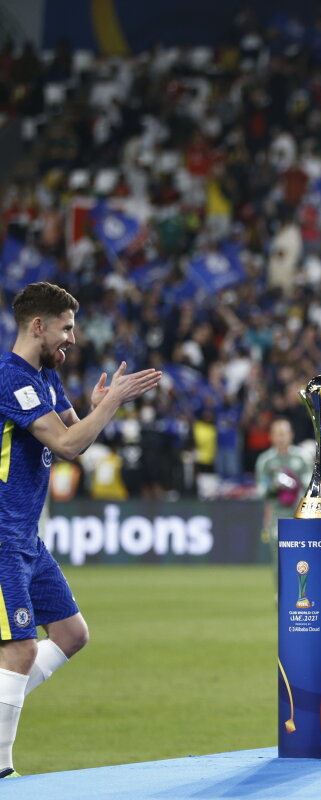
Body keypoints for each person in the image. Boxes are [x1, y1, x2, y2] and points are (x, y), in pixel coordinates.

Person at [0, 282, 161, 779]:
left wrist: (99, 405)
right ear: (38, 326)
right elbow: (68, 444)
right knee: (20, 649)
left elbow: (77, 436)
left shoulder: (46, 377)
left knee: (71, 634)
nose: (73, 337)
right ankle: (2, 770)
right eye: (66, 327)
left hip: (26, 537)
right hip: (2, 537)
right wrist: (112, 404)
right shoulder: (11, 379)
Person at [254, 418, 309, 568]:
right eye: (277, 434)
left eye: (284, 434)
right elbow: (261, 490)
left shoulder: (302, 457)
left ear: (291, 435)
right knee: (280, 558)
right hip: (276, 514)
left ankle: (302, 585)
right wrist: (274, 486)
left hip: (300, 514)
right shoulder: (266, 460)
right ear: (271, 436)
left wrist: (295, 484)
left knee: (303, 559)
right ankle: (281, 584)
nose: (281, 438)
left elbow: (312, 487)